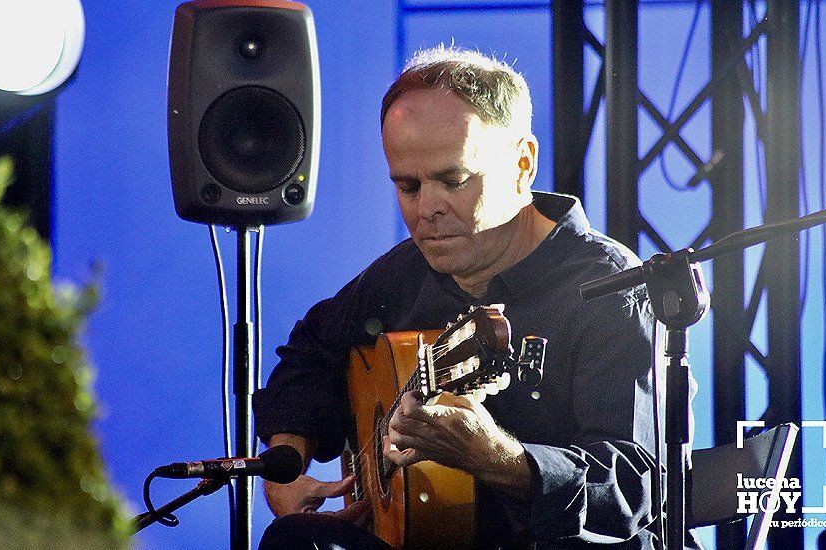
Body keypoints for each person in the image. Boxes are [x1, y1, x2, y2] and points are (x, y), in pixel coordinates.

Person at [254, 45, 682, 549]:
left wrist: (500, 460)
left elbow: (635, 488)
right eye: (408, 186)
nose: (427, 210)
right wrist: (287, 459)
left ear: (522, 165)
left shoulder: (609, 287)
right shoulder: (407, 271)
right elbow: (313, 347)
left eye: (453, 180)